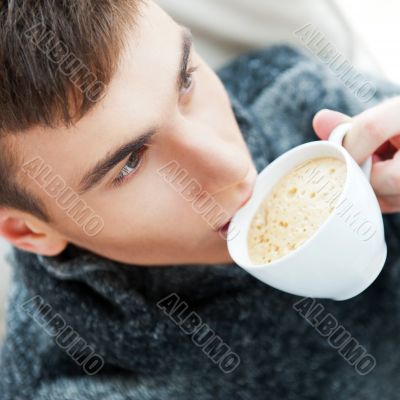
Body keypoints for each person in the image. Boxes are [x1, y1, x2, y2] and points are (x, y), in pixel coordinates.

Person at [0, 1, 400, 398]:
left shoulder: (298, 95)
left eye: (186, 81)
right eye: (129, 164)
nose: (232, 168)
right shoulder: (74, 386)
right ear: (27, 230)